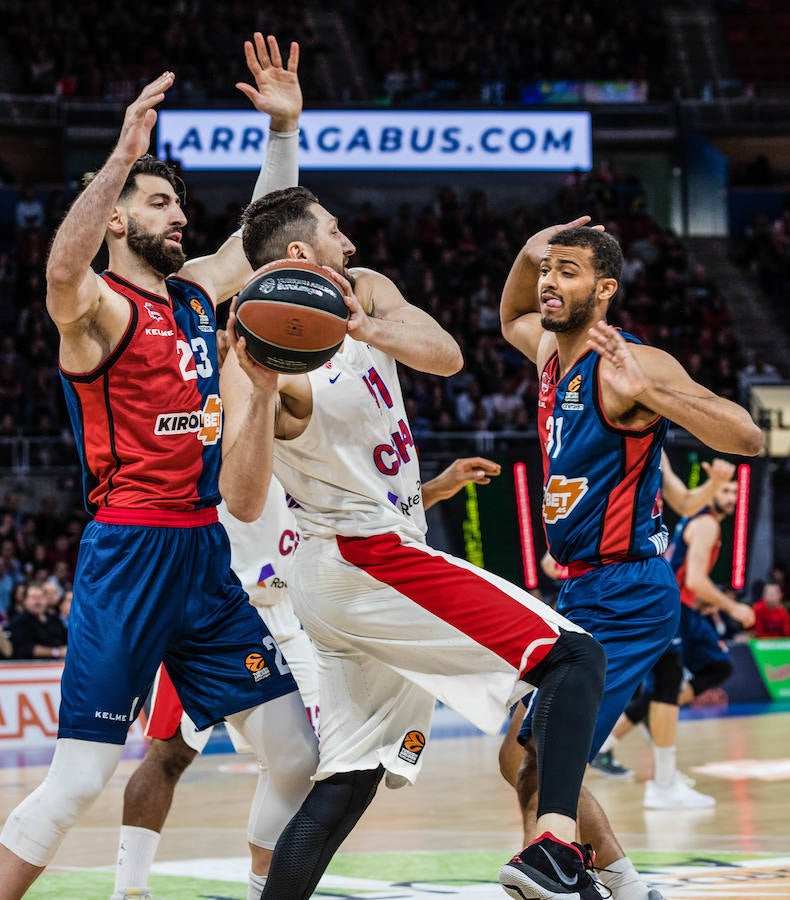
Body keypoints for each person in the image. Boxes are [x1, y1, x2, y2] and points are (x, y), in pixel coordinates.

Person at [0, 34, 321, 900]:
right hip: (131, 553)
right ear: (116, 218)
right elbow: (62, 273)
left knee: (297, 752)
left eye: (179, 205)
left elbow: (257, 246)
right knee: (75, 782)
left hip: (205, 558)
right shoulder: (100, 312)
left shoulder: (189, 295)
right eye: (157, 203)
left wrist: (283, 132)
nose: (178, 216)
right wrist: (121, 156)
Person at [227, 187, 609, 900]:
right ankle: (554, 850)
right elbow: (244, 497)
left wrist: (365, 329)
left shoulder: (367, 292)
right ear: (302, 253)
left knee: (348, 779)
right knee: (573, 658)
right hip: (363, 559)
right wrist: (256, 395)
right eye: (335, 232)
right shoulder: (263, 352)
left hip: (361, 560)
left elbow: (447, 356)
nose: (350, 242)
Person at [498, 219, 763, 900]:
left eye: (568, 271)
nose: (551, 283)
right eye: (548, 270)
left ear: (606, 289)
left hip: (628, 591)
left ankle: (568, 864)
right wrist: (532, 247)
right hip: (581, 591)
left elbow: (747, 436)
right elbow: (512, 316)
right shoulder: (549, 355)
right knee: (520, 757)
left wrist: (654, 394)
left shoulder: (632, 366)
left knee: (543, 755)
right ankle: (619, 880)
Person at [113, 455, 502, 899]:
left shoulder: (306, 429)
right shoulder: (227, 419)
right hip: (216, 610)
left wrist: (431, 489)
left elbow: (358, 511)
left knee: (303, 760)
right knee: (169, 753)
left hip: (286, 614)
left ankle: (265, 886)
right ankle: (129, 890)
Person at [591, 457, 740, 810]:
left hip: (654, 587)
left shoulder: (657, 446)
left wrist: (713, 483)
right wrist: (733, 608)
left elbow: (684, 500)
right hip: (631, 582)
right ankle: (651, 773)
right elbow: (694, 580)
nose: (731, 497)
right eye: (726, 491)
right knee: (662, 680)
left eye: (734, 491)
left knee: (666, 680)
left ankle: (659, 774)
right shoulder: (601, 437)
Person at [7, 583, 67, 661]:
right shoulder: (18, 621)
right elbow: (26, 649)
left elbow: (65, 639)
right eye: (34, 597)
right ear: (25, 601)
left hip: (58, 666)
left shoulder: (54, 619)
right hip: (29, 668)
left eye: (41, 597)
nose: (38, 601)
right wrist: (56, 652)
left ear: (46, 600)